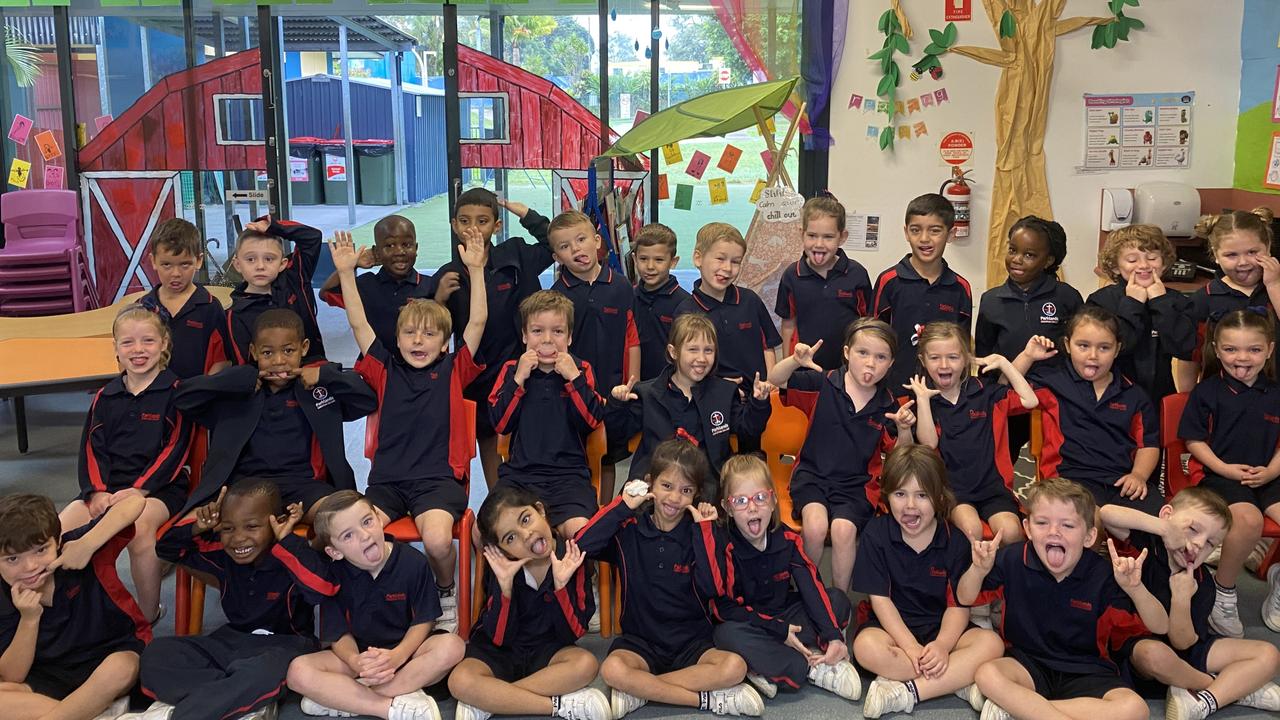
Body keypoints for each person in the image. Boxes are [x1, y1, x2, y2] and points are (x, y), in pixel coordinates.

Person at [332, 229, 487, 633]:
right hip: (387, 485)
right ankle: (380, 599)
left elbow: (479, 320)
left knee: (437, 541)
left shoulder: (454, 370)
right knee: (352, 534)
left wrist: (476, 269)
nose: (419, 340)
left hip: (437, 483)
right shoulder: (384, 368)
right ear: (396, 339)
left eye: (430, 334)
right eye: (409, 334)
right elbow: (357, 322)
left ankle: (445, 591)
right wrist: (347, 273)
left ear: (444, 343)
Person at [576, 439, 764, 718]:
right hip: (640, 645)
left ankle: (641, 691)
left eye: (686, 490)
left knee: (735, 666)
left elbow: (714, 588)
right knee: (612, 669)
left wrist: (706, 533)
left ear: (697, 494)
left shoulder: (701, 532)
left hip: (692, 644)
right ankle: (706, 700)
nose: (675, 498)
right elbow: (581, 545)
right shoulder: (629, 528)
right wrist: (622, 506)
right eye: (666, 486)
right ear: (650, 483)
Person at [957, 478, 1168, 720]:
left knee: (1136, 709)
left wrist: (1136, 588)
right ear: (1027, 528)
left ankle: (1019, 708)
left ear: (1089, 537)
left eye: (1067, 525)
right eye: (1042, 523)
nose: (1053, 531)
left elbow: (1160, 626)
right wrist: (978, 570)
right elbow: (965, 596)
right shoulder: (1013, 559)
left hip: (1087, 671)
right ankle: (1029, 709)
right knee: (987, 674)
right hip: (1028, 664)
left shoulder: (1103, 574)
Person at [127, 480, 331, 720]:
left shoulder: (292, 553)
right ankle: (241, 701)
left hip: (286, 645)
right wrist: (196, 527)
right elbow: (168, 550)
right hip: (231, 641)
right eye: (228, 528)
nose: (238, 539)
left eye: (252, 526)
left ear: (278, 521)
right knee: (157, 654)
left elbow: (322, 589)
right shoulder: (224, 556)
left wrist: (287, 541)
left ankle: (187, 712)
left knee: (261, 673)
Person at [174, 309, 377, 520]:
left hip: (305, 488)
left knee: (343, 518)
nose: (279, 361)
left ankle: (316, 548)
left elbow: (368, 400)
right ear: (253, 352)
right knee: (192, 527)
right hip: (245, 489)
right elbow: (183, 399)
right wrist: (238, 379)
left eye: (288, 351)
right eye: (267, 353)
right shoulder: (237, 391)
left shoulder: (317, 390)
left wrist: (325, 376)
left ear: (304, 348)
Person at [1100, 488, 1280, 719]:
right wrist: (1165, 529)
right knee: (1156, 655)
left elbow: (1183, 642)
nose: (1197, 544)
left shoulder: (1203, 582)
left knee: (1268, 654)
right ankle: (1229, 688)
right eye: (1193, 529)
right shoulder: (1148, 544)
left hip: (1187, 650)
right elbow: (1107, 513)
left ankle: (1206, 700)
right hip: (1142, 651)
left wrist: (1181, 599)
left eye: (1210, 544)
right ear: (1167, 516)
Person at [852, 445, 1005, 717]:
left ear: (938, 498)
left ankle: (906, 687)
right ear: (887, 495)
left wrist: (944, 646)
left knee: (992, 644)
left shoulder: (954, 539)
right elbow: (881, 601)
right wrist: (910, 647)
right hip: (893, 631)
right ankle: (954, 679)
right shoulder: (876, 534)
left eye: (921, 495)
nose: (910, 506)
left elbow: (958, 605)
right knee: (865, 648)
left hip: (941, 628)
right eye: (900, 494)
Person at [62, 304, 192, 623]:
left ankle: (147, 616)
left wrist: (139, 490)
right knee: (58, 528)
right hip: (107, 489)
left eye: (147, 341)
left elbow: (176, 450)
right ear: (116, 349)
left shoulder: (177, 393)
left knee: (139, 528)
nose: (138, 350)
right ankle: (65, 614)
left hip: (159, 491)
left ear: (164, 344)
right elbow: (91, 450)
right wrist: (95, 493)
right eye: (128, 342)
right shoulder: (105, 396)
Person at [286, 491, 465, 720]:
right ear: (334, 552)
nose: (364, 535)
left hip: (408, 655)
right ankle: (394, 702)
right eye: (348, 535)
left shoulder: (413, 562)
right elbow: (337, 634)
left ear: (379, 520)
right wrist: (356, 662)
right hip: (361, 660)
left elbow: (424, 620)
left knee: (452, 647)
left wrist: (398, 656)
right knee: (297, 672)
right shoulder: (334, 575)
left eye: (367, 522)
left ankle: (349, 699)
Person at [767, 318, 917, 591]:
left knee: (843, 530)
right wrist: (794, 360)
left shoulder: (888, 404)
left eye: (881, 357)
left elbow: (900, 455)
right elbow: (776, 379)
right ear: (847, 352)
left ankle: (837, 602)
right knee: (814, 525)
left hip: (856, 486)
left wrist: (905, 430)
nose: (871, 363)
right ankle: (808, 594)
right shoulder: (823, 383)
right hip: (812, 476)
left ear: (891, 363)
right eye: (863, 353)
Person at [698, 454, 858, 701]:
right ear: (727, 508)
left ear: (773, 500)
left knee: (837, 599)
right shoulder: (725, 544)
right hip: (749, 623)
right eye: (741, 501)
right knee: (725, 634)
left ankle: (779, 661)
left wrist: (834, 637)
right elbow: (723, 609)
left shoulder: (787, 539)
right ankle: (809, 666)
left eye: (760, 498)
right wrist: (779, 630)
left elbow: (811, 586)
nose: (753, 507)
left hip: (784, 616)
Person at [448, 485, 609, 720]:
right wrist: (505, 588)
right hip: (500, 651)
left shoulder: (572, 555)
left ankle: (493, 700)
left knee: (586, 664)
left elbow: (573, 633)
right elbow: (498, 638)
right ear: (503, 549)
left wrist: (560, 587)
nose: (526, 535)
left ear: (540, 510)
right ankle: (555, 705)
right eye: (510, 538)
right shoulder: (503, 568)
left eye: (526, 519)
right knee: (459, 680)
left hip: (549, 649)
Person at [433, 189, 553, 490]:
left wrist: (526, 214)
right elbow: (433, 331)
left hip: (522, 366)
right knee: (487, 439)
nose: (473, 229)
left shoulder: (516, 254)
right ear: (453, 225)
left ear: (496, 226)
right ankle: (499, 500)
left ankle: (529, 499)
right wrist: (439, 298)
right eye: (465, 221)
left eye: (483, 221)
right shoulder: (449, 275)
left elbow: (553, 243)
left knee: (526, 437)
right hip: (479, 375)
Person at [1176, 309, 1280, 637]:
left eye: (1253, 349)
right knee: (1247, 520)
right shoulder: (1207, 393)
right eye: (1231, 349)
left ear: (1270, 350)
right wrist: (1225, 469)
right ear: (1217, 350)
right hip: (1220, 475)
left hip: (1268, 474)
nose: (1242, 358)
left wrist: (1271, 471)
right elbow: (1193, 440)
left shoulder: (1276, 393)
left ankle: (1276, 581)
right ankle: (1225, 591)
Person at [0, 493, 149, 720]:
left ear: (57, 542)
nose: (30, 566)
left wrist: (88, 544)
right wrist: (29, 619)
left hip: (108, 655)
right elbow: (13, 675)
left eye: (41, 550)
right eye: (12, 559)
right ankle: (94, 711)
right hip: (50, 672)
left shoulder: (76, 548)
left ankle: (78, 711)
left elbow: (134, 502)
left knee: (122, 666)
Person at [1012, 306, 1161, 516]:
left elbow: (1148, 444)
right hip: (1069, 482)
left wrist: (1138, 475)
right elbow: (1004, 392)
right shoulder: (1051, 384)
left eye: (1104, 348)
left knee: (1167, 523)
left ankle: (1123, 527)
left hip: (1121, 482)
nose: (1093, 356)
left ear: (1117, 349)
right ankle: (1116, 523)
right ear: (1068, 345)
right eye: (1083, 346)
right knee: (1091, 521)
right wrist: (1027, 356)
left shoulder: (1134, 395)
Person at [909, 321, 1036, 545]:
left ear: (967, 358)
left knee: (1011, 532)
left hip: (992, 487)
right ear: (923, 360)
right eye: (935, 358)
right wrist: (923, 400)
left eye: (954, 357)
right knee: (971, 530)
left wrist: (1004, 363)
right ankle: (970, 578)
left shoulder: (984, 391)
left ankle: (1002, 578)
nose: (944, 364)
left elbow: (1030, 401)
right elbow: (928, 444)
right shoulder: (923, 399)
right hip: (952, 490)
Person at [489, 291, 604, 540]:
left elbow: (591, 422)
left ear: (570, 337)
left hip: (569, 478)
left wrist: (574, 379)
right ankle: (511, 579)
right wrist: (519, 379)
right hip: (519, 477)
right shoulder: (511, 371)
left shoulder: (581, 369)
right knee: (487, 530)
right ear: (524, 335)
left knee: (581, 531)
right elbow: (500, 423)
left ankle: (574, 577)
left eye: (558, 332)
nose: (547, 340)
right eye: (538, 331)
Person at [612, 314, 772, 492]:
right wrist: (617, 405)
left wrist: (758, 402)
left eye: (708, 350)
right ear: (674, 352)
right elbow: (618, 434)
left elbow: (748, 430)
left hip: (707, 489)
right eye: (693, 349)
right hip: (654, 486)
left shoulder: (724, 393)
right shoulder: (647, 393)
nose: (702, 359)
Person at [547, 210, 640, 497]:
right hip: (572, 392)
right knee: (577, 455)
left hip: (613, 390)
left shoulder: (622, 286)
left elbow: (632, 338)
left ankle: (605, 509)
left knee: (609, 456)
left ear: (597, 240)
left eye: (581, 239)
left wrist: (631, 382)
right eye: (565, 246)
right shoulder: (556, 295)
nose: (576, 249)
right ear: (556, 257)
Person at [976, 216, 1081, 467]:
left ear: (1049, 260)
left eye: (1030, 255)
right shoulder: (991, 300)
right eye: (1013, 250)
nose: (1017, 260)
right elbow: (984, 354)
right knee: (1001, 460)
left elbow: (1079, 345)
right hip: (1009, 395)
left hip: (1056, 397)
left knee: (1056, 463)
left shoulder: (1067, 297)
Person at [675, 222, 781, 454]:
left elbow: (768, 345)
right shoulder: (686, 310)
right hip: (712, 405)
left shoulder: (750, 300)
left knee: (752, 460)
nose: (727, 268)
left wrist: (770, 383)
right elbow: (684, 366)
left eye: (735, 262)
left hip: (755, 402)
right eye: (720, 259)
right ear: (698, 258)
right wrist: (720, 387)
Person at [872, 193, 973, 394]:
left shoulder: (960, 287)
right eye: (916, 230)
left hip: (943, 393)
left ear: (951, 234)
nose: (924, 239)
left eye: (935, 231)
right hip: (894, 391)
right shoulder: (889, 281)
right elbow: (872, 337)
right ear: (906, 232)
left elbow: (962, 348)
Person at [1087, 224, 1195, 404]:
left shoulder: (1175, 301)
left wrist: (1160, 302)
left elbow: (1185, 349)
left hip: (1158, 398)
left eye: (1152, 258)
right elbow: (1115, 349)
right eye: (1132, 260)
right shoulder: (1100, 301)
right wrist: (1133, 304)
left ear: (1164, 263)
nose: (1144, 266)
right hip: (1111, 398)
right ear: (1115, 267)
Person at [1180, 208, 1280, 390]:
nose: (1243, 262)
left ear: (1268, 246)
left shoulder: (1276, 287)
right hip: (1221, 400)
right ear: (1215, 255)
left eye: (1252, 252)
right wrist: (1186, 398)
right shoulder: (1204, 299)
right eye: (1231, 255)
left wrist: (1273, 285)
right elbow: (1189, 356)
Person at [774, 194, 871, 371]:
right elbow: (788, 324)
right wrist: (789, 364)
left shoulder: (857, 274)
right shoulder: (791, 276)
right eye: (812, 235)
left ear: (842, 237)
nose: (819, 244)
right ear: (801, 234)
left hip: (847, 370)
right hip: (803, 367)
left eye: (828, 237)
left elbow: (866, 322)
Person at [319, 215, 436, 352]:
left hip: (419, 365)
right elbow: (326, 293)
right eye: (389, 245)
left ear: (416, 249)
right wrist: (351, 266)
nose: (399, 252)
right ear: (376, 252)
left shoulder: (431, 286)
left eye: (406, 245)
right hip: (375, 365)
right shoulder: (366, 284)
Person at [224, 216, 326, 366]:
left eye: (269, 259)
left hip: (313, 370)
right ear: (237, 265)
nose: (260, 266)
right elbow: (243, 364)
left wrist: (274, 227)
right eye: (250, 259)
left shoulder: (295, 279)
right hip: (269, 383)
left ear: (283, 264)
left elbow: (312, 237)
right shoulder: (235, 314)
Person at [138, 218, 230, 378]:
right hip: (154, 396)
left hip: (198, 396)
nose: (176, 274)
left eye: (185, 265)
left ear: (199, 261)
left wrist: (203, 390)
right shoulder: (143, 308)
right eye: (166, 264)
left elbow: (222, 359)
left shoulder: (210, 307)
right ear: (153, 261)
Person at [631, 223, 691, 382]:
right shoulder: (628, 298)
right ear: (634, 258)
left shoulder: (685, 304)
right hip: (634, 385)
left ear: (673, 262)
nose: (650, 267)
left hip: (670, 388)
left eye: (659, 260)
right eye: (643, 259)